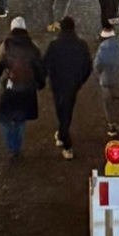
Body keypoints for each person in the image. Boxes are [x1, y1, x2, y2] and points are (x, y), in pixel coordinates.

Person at [0, 17, 46, 157]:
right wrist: (40, 83)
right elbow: (39, 69)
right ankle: (16, 147)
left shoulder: (5, 46)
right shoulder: (32, 47)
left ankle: (11, 145)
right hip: (27, 89)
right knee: (21, 120)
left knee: (4, 118)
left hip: (9, 88)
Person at [42, 16, 93, 160]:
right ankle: (61, 133)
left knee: (60, 111)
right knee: (67, 111)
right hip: (72, 85)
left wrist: (41, 80)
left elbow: (45, 64)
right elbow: (88, 67)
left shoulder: (54, 45)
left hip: (57, 84)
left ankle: (66, 143)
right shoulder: (82, 45)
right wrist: (80, 81)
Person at [93, 27, 119, 137]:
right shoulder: (118, 46)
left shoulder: (102, 48)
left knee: (108, 104)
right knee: (117, 101)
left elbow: (97, 65)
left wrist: (99, 74)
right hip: (117, 79)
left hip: (106, 80)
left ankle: (111, 125)